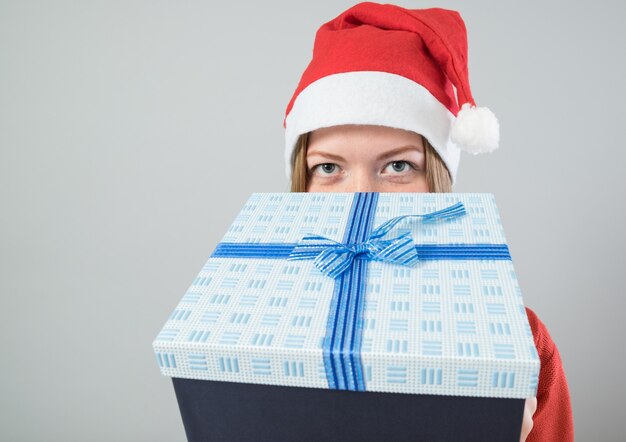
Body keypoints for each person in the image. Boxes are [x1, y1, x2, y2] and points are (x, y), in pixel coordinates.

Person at [282, 3, 574, 441]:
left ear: (437, 179)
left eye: (398, 166)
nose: (361, 197)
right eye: (328, 168)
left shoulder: (519, 342)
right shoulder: (255, 329)